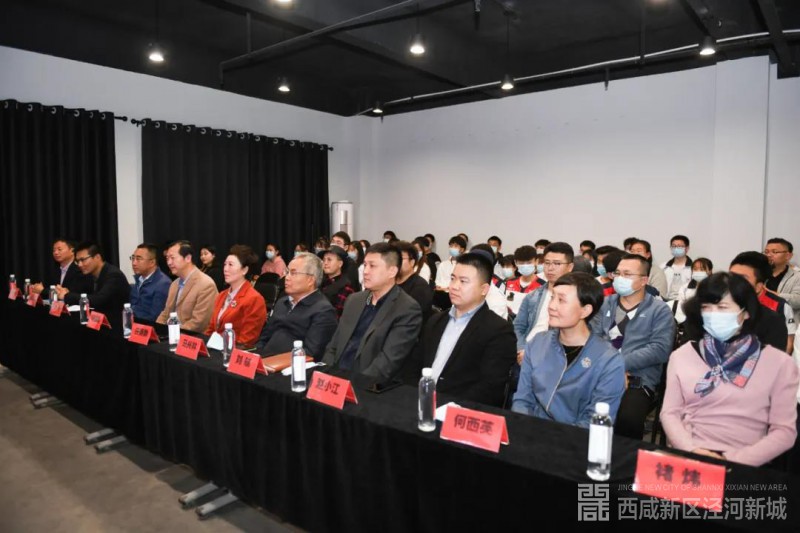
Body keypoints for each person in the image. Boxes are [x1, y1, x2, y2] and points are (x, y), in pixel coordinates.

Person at [661, 272, 798, 466]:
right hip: (689, 456)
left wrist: (731, 460)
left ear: (746, 312)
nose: (713, 314)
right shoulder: (682, 355)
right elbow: (670, 413)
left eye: (722, 307)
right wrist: (692, 450)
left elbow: (784, 431)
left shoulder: (779, 363)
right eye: (706, 308)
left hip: (745, 463)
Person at [513, 272, 626, 427]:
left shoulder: (608, 360)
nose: (551, 306)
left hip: (575, 438)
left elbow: (594, 421)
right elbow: (522, 400)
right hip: (531, 430)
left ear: (585, 311)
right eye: (552, 297)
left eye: (561, 300)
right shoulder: (538, 343)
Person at [408, 252, 516, 407]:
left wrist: (445, 406)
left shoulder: (498, 330)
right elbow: (414, 366)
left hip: (459, 409)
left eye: (463, 281)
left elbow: (490, 387)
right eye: (453, 278)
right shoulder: (436, 320)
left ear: (484, 289)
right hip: (419, 402)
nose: (454, 286)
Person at [592, 253, 675, 439]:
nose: (620, 278)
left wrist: (618, 364)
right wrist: (610, 368)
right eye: (618, 273)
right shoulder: (605, 304)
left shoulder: (659, 310)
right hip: (599, 372)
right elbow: (592, 339)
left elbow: (660, 349)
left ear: (644, 280)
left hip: (637, 378)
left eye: (627, 274)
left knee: (627, 420)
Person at [322, 243, 422, 382]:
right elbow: (333, 346)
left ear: (392, 271)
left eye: (372, 266)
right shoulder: (354, 300)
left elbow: (387, 363)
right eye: (365, 265)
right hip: (335, 379)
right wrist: (325, 375)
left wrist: (353, 385)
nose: (365, 271)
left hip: (367, 384)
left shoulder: (406, 309)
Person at [256, 252, 337, 359]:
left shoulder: (323, 311)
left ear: (310, 280)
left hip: (290, 366)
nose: (287, 277)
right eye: (287, 272)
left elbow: (311, 354)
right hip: (265, 360)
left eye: (293, 273)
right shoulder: (282, 302)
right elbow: (264, 338)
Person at [513, 242, 575, 363]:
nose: (550, 268)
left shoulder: (578, 298)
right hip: (527, 351)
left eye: (557, 263)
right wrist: (522, 349)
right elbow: (518, 326)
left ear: (570, 267)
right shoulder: (532, 296)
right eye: (547, 263)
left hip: (558, 356)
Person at [730, 251, 795, 353]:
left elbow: (787, 345)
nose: (732, 283)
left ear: (758, 286)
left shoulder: (779, 307)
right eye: (731, 276)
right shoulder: (714, 305)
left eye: (742, 279)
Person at [57, 242, 130, 331]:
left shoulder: (113, 275)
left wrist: (67, 295)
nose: (79, 265)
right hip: (98, 322)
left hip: (117, 325)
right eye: (77, 261)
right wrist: (66, 292)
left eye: (83, 260)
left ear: (97, 257)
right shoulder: (89, 275)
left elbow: (98, 300)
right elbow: (81, 294)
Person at [206, 245, 267, 348]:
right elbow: (211, 329)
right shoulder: (221, 295)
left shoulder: (254, 299)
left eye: (230, 265)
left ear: (244, 270)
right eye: (225, 264)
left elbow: (246, 341)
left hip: (233, 352)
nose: (225, 269)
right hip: (214, 349)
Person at [157, 240, 218, 333]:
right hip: (172, 335)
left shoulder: (206, 285)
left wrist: (173, 334)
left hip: (191, 338)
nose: (169, 263)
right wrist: (157, 329)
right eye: (167, 258)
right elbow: (166, 314)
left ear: (188, 258)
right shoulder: (174, 284)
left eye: (172, 258)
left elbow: (198, 323)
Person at [128, 243, 171, 322]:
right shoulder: (139, 279)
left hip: (147, 326)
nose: (134, 263)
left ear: (152, 262)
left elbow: (155, 317)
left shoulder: (163, 284)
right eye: (133, 258)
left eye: (138, 259)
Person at [395, 241, 433, 323]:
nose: (396, 262)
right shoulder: (389, 282)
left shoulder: (420, 287)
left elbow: (411, 318)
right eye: (394, 258)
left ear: (412, 262)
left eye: (400, 258)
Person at [764, 238, 800, 324]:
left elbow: (798, 300)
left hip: (786, 325)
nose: (769, 255)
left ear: (788, 256)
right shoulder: (760, 273)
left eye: (774, 252)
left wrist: (770, 294)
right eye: (766, 252)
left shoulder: (797, 276)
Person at [505, 245, 545, 316]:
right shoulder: (508, 283)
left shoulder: (543, 286)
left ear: (536, 261)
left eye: (529, 263)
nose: (525, 266)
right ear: (516, 263)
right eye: (521, 263)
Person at [321, 245, 356, 319]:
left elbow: (337, 315)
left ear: (340, 264)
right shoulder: (320, 281)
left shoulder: (346, 287)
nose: (325, 263)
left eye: (329, 260)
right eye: (324, 260)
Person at [433, 235, 467, 310]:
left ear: (462, 249)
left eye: (455, 246)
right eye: (451, 246)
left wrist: (448, 288)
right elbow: (437, 283)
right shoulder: (443, 264)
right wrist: (444, 288)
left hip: (457, 295)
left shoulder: (465, 265)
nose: (452, 248)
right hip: (442, 294)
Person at [662, 234, 693, 301]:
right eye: (674, 246)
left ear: (687, 248)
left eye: (679, 246)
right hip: (666, 301)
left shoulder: (693, 268)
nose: (676, 248)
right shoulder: (663, 267)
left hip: (686, 301)